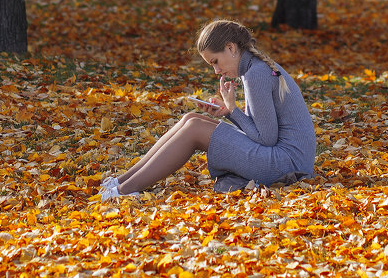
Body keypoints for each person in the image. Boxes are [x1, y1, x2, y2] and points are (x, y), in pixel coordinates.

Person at [99, 19, 316, 199]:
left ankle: (122, 191)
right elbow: (263, 130)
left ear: (231, 48)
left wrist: (232, 110)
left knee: (194, 130)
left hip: (286, 165)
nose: (216, 70)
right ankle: (121, 181)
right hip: (287, 158)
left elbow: (266, 138)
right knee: (191, 119)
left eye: (215, 61)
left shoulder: (255, 74)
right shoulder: (255, 68)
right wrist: (228, 111)